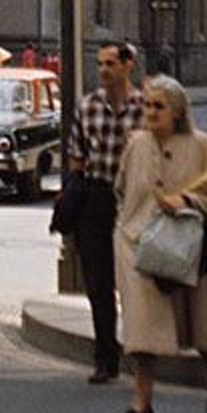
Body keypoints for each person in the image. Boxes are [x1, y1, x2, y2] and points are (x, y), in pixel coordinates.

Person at [115, 75, 207, 413]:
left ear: (177, 112)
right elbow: (123, 190)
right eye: (147, 105)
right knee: (143, 326)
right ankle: (142, 403)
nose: (151, 112)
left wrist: (187, 201)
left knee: (203, 324)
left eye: (159, 106)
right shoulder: (136, 145)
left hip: (191, 245)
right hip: (140, 245)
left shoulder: (200, 145)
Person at [67, 40, 144, 383]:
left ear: (128, 65)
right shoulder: (88, 107)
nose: (103, 70)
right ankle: (105, 355)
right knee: (98, 282)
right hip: (97, 198)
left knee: (135, 280)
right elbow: (76, 154)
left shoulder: (144, 107)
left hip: (134, 200)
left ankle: (140, 350)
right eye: (100, 64)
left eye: (110, 63)